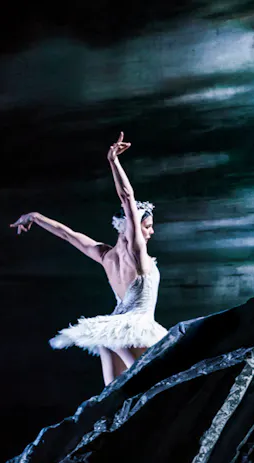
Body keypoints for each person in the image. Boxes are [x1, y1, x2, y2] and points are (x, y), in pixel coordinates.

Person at [10, 132, 168, 386]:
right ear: (131, 227)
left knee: (114, 395)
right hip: (133, 329)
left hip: (109, 331)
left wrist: (35, 217)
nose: (151, 232)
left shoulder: (105, 255)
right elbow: (127, 197)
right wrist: (113, 161)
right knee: (154, 386)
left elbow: (67, 234)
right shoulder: (136, 252)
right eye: (147, 226)